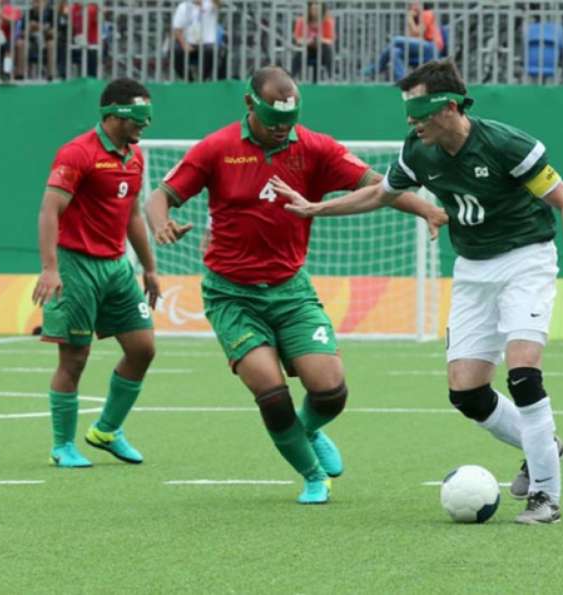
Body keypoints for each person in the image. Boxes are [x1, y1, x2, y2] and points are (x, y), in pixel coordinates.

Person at [271, 59, 563, 524]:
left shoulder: (507, 144)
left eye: (420, 110)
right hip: (472, 269)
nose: (411, 120)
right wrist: (315, 209)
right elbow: (378, 194)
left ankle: (545, 497)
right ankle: (542, 444)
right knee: (466, 393)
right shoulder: (419, 151)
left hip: (526, 260)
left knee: (524, 373)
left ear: (450, 106)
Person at [145, 66, 446, 504]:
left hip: (290, 289)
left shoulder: (315, 148)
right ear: (250, 105)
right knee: (270, 391)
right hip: (232, 295)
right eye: (273, 123)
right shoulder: (216, 149)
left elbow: (379, 187)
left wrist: (426, 210)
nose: (282, 131)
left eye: (289, 122)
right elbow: (161, 196)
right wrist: (160, 225)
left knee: (331, 390)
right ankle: (311, 475)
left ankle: (304, 432)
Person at [32, 78, 159, 468]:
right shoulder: (77, 153)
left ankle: (107, 429)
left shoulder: (134, 157)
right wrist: (50, 269)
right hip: (75, 265)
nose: (145, 124)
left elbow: (133, 214)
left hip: (116, 266)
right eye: (139, 116)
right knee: (75, 358)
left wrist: (150, 268)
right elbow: (49, 210)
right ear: (114, 114)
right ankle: (62, 446)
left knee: (143, 349)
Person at [364, 2, 444, 81]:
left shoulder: (427, 13)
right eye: (411, 5)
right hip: (419, 50)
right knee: (394, 51)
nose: (413, 7)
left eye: (416, 4)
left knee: (396, 40)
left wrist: (409, 18)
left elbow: (418, 32)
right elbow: (410, 38)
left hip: (431, 48)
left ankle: (377, 67)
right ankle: (403, 81)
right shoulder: (415, 19)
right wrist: (411, 20)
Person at [172, 0, 222, 81]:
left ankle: (202, 80)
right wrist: (184, 44)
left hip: (207, 43)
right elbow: (177, 29)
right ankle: (188, 80)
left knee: (211, 50)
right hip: (189, 43)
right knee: (176, 51)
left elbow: (218, 3)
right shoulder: (183, 7)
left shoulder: (210, 4)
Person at [291, 1, 334, 82]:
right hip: (307, 49)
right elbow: (298, 39)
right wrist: (307, 41)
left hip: (321, 50)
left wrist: (319, 39)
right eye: (313, 8)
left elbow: (329, 40)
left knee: (327, 49)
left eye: (317, 8)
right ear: (309, 9)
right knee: (299, 52)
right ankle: (291, 77)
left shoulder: (327, 21)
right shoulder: (301, 21)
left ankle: (332, 77)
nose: (315, 11)